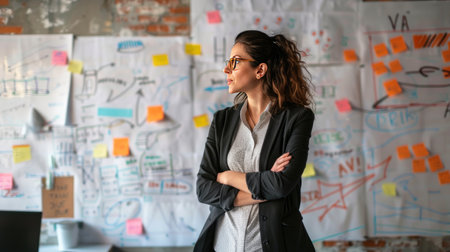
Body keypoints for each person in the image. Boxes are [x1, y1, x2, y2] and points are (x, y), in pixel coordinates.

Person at [195, 30, 315, 252]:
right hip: (222, 244)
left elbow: (281, 185)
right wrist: (264, 187)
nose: (226, 69)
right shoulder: (222, 120)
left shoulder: (297, 118)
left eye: (235, 61)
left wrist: (227, 177)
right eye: (228, 61)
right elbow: (203, 189)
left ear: (260, 70)